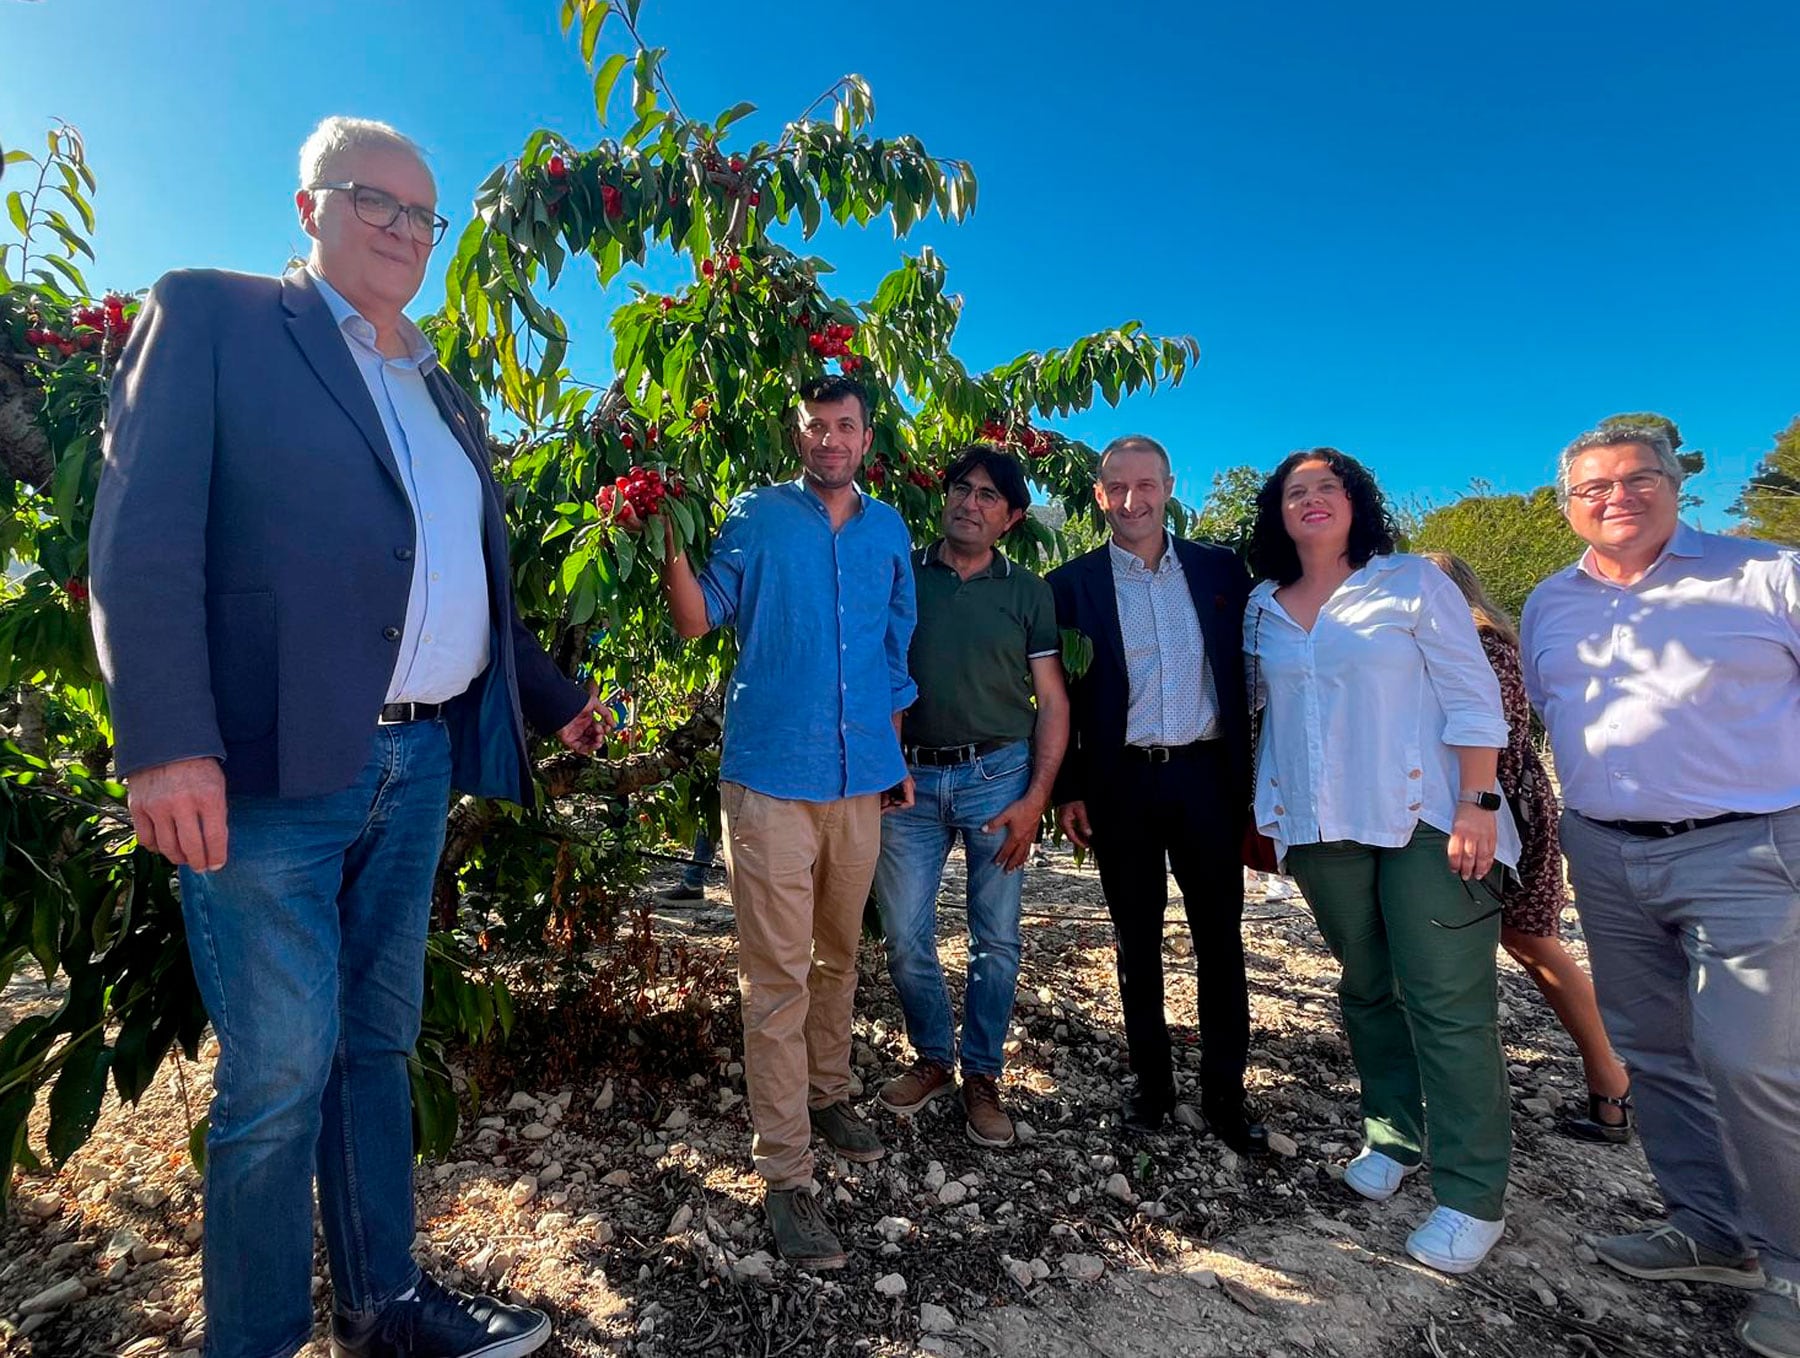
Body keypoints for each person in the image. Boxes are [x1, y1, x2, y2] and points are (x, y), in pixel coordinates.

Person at [89, 118, 608, 1358]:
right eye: (374, 200)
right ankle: (257, 1338)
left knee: (373, 1042)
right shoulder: (212, 315)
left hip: (419, 760)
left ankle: (384, 1300)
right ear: (309, 205)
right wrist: (164, 738)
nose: (402, 230)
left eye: (423, 217)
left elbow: (462, 575)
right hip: (268, 764)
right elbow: (140, 533)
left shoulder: (440, 388)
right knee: (277, 1076)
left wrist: (549, 698)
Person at [1521, 422, 1800, 1358]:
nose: (1618, 497)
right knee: (1656, 1046)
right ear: (1567, 503)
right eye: (1594, 486)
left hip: (1749, 849)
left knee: (1751, 1059)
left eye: (1640, 478)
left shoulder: (1767, 575)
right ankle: (1707, 1229)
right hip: (1605, 848)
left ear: (1677, 485)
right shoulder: (1552, 603)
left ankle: (1794, 1266)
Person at [626, 374, 916, 1271]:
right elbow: (693, 619)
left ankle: (829, 1089)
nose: (829, 440)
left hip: (859, 778)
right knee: (778, 975)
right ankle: (785, 1174)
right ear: (796, 435)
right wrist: (667, 536)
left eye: (844, 426)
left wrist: (892, 756)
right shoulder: (758, 514)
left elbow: (891, 654)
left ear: (867, 438)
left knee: (841, 952)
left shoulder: (888, 530)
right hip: (771, 780)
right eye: (814, 426)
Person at [1244, 449, 1517, 1276]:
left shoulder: (1409, 583)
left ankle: (1472, 1195)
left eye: (1329, 486)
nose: (1313, 500)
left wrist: (1479, 802)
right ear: (1278, 512)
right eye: (1297, 491)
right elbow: (1259, 709)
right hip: (1322, 825)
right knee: (1367, 988)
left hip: (1428, 819)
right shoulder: (1262, 607)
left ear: (1357, 502)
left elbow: (1475, 693)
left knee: (1444, 1001)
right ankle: (1393, 1137)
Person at [1047, 434, 1266, 1155]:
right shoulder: (1071, 585)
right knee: (1136, 940)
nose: (1133, 501)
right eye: (1118, 488)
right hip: (1122, 782)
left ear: (1170, 486)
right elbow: (1061, 698)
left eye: (1147, 485)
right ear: (1099, 496)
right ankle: (1152, 1087)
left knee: (1219, 939)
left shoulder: (1218, 571)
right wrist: (1069, 788)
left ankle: (1226, 1096)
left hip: (1206, 777)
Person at [872, 446, 1069, 1148]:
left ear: (1013, 518)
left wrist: (1037, 796)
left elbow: (1050, 699)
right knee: (903, 935)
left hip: (998, 778)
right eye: (962, 489)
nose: (971, 503)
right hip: (909, 781)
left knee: (998, 941)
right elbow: (876, 669)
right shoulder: (905, 574)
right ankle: (933, 1056)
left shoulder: (1028, 592)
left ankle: (982, 1073)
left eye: (990, 496)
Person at [1420, 551, 1632, 1143]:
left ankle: (1609, 1076)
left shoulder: (1485, 648)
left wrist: (1478, 812)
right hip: (1482, 810)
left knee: (1531, 940)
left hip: (1502, 812)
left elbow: (1503, 742)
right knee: (1515, 942)